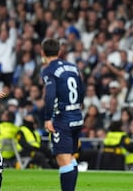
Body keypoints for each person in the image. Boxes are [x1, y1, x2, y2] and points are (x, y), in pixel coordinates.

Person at [41, 38, 85, 191]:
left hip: (63, 119)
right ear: (59, 52)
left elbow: (49, 95)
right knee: (70, 158)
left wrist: (47, 118)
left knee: (63, 160)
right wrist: (78, 106)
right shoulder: (73, 67)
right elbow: (82, 88)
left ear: (42, 52)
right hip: (77, 116)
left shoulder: (48, 70)